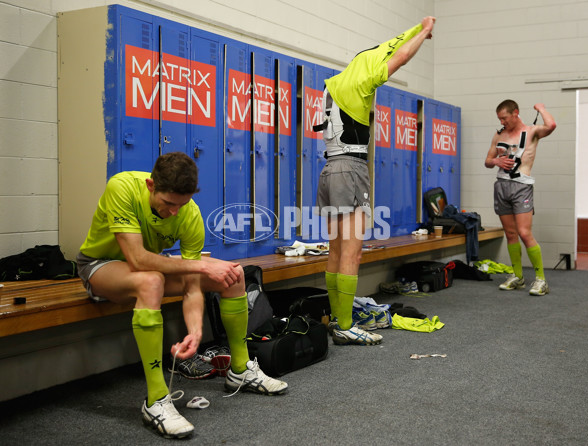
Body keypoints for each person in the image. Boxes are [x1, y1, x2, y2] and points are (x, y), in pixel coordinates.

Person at [76, 152, 287, 439]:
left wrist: (196, 332)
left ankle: (240, 369)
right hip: (100, 267)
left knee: (232, 275)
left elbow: (191, 286)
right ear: (151, 186)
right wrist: (200, 264)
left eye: (182, 204)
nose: (175, 211)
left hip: (149, 268)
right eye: (168, 203)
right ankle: (156, 400)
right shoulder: (122, 187)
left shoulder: (190, 213)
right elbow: (137, 259)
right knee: (151, 281)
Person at [316, 17, 436, 345]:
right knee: (352, 253)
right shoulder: (360, 83)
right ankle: (344, 324)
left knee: (335, 250)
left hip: (328, 170)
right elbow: (401, 57)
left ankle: (337, 320)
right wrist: (424, 32)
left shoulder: (331, 84)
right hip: (350, 170)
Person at [484, 100, 556, 295]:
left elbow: (551, 125)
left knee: (524, 233)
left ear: (515, 113)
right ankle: (518, 277)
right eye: (499, 118)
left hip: (521, 186)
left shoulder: (532, 132)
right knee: (510, 233)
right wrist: (496, 160)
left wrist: (541, 109)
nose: (502, 122)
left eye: (504, 118)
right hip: (501, 186)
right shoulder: (499, 134)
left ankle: (541, 280)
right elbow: (488, 161)